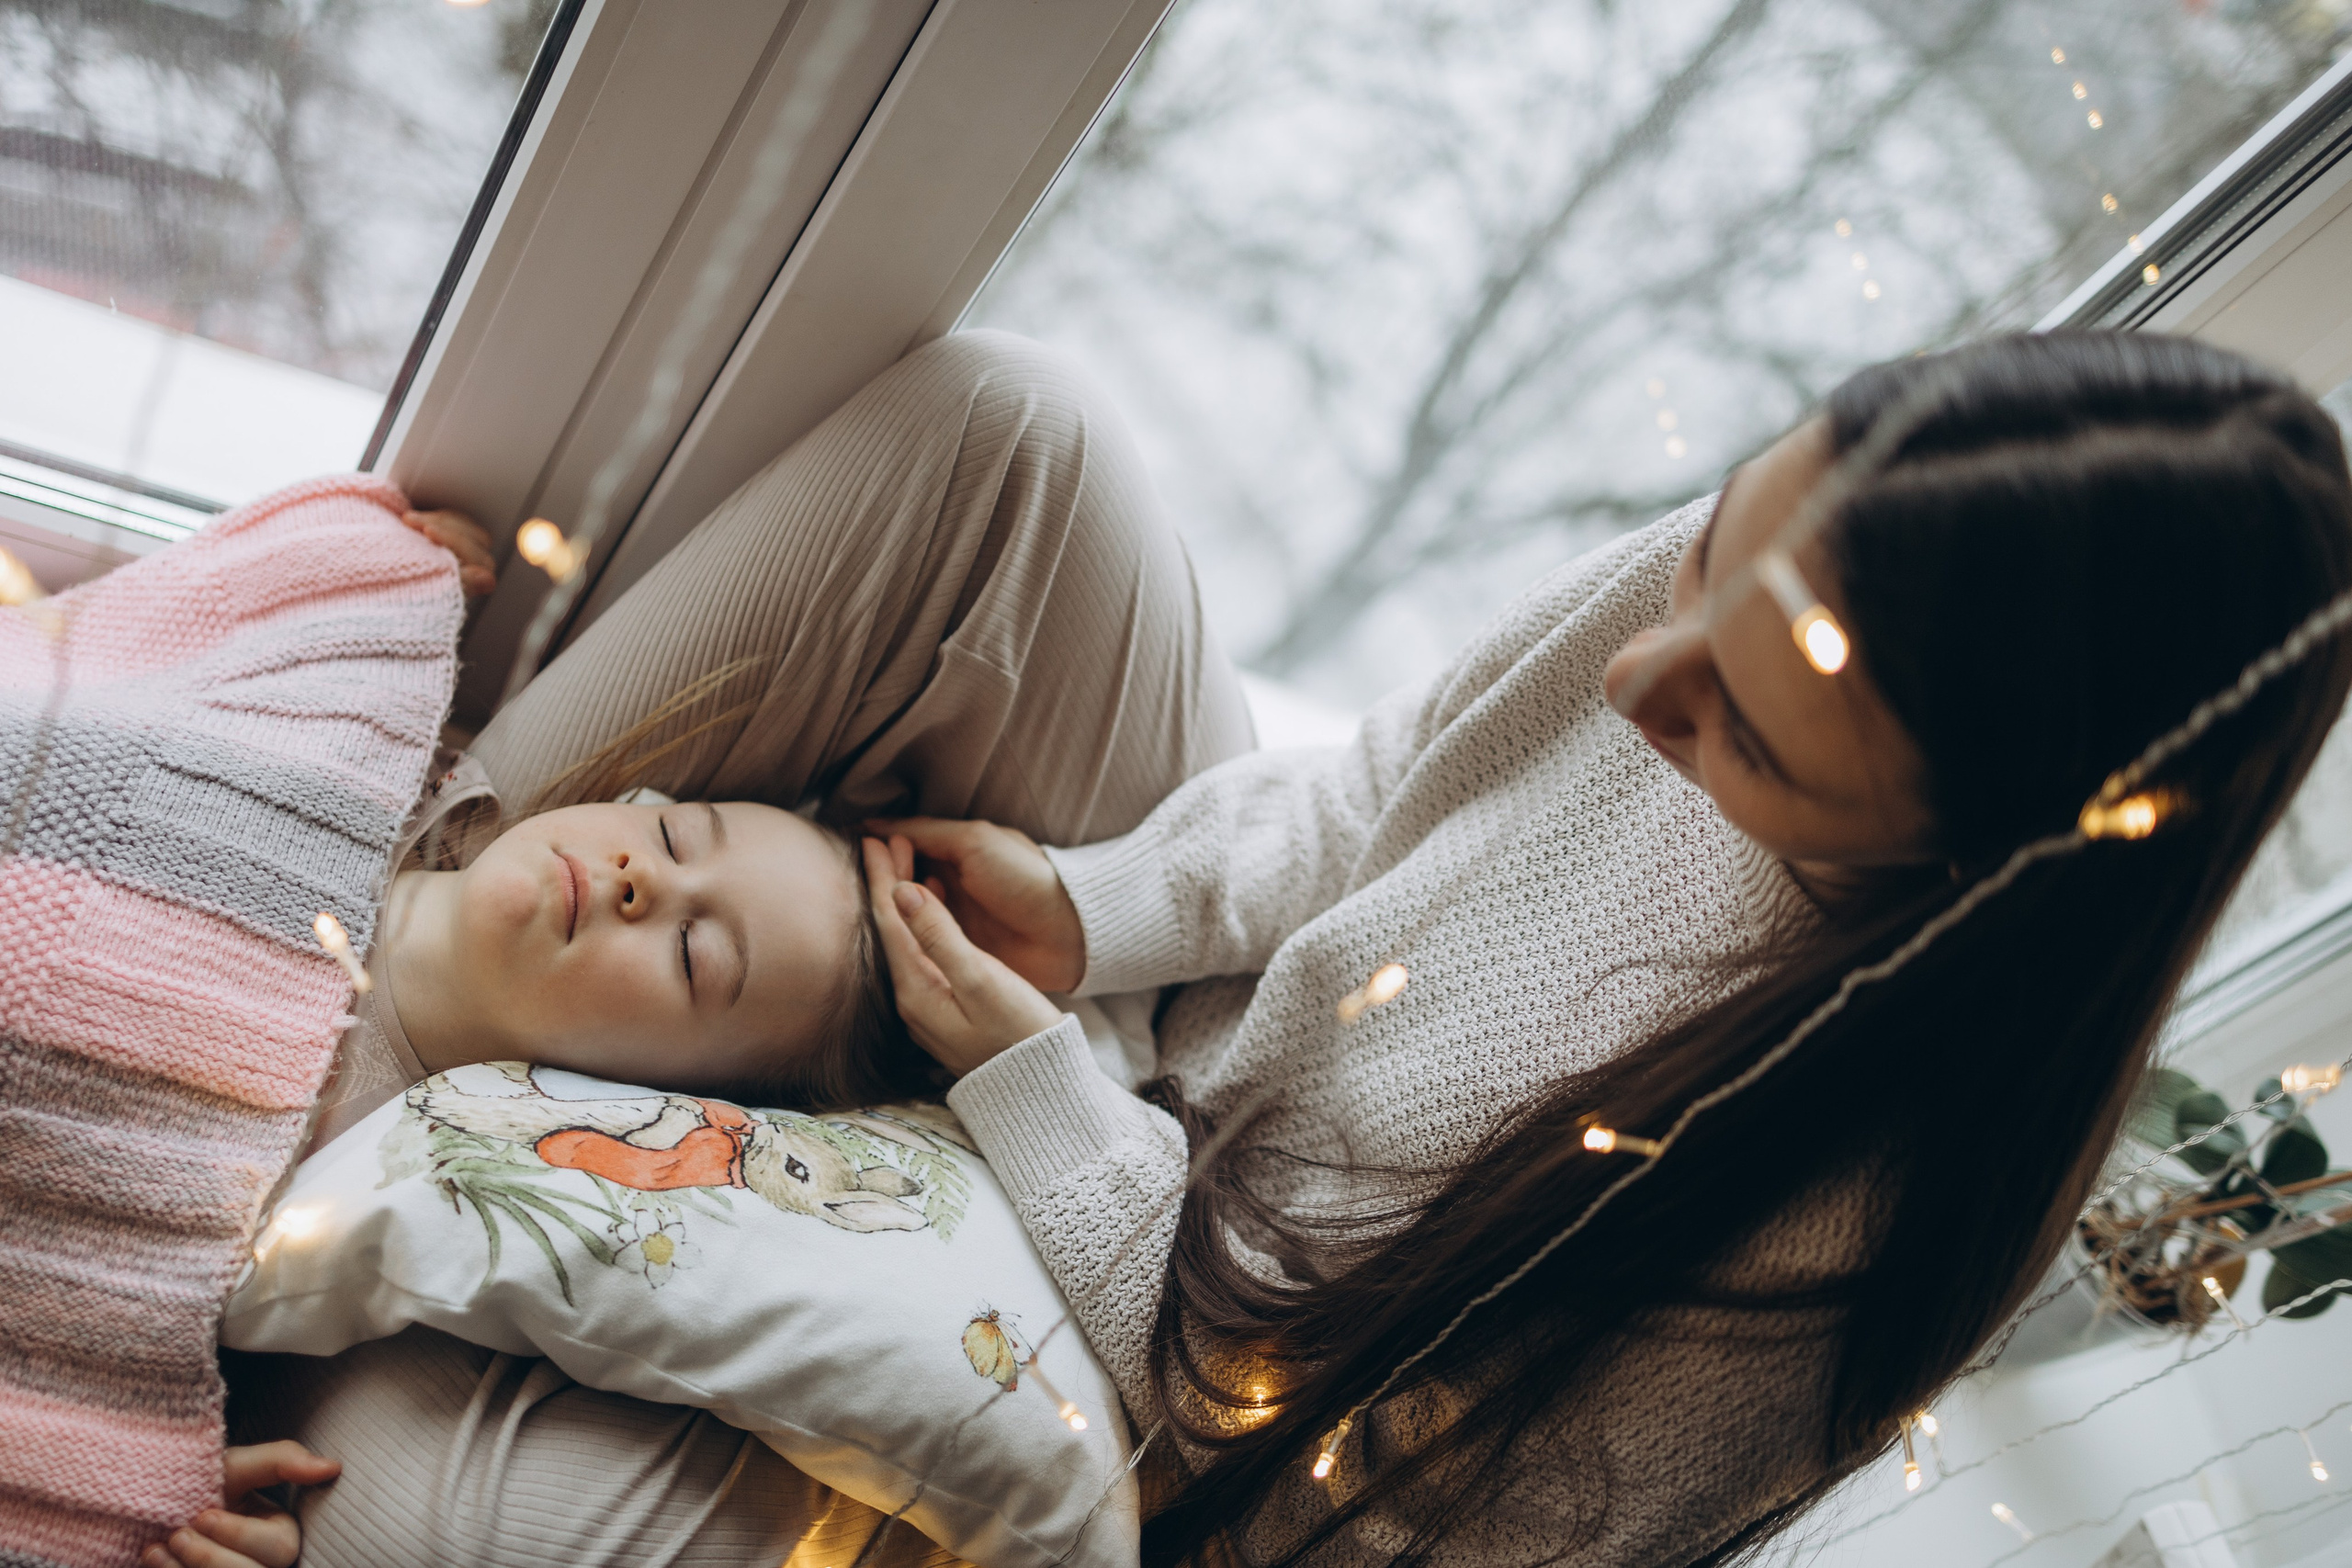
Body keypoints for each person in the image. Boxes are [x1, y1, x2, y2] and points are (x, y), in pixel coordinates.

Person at [185, 328, 2350, 1568]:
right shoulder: (1791, 577)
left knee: (430, 1537)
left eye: (1741, 726)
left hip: (1118, 1419)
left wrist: (1028, 1088)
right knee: (1013, 444)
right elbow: (1388, 782)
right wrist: (1096, 904)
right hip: (1141, 1040)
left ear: (1974, 853)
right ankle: (327, 942)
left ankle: (205, 1215)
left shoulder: (1845, 1244)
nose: (1641, 680)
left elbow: (1269, 1484)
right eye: (1699, 558)